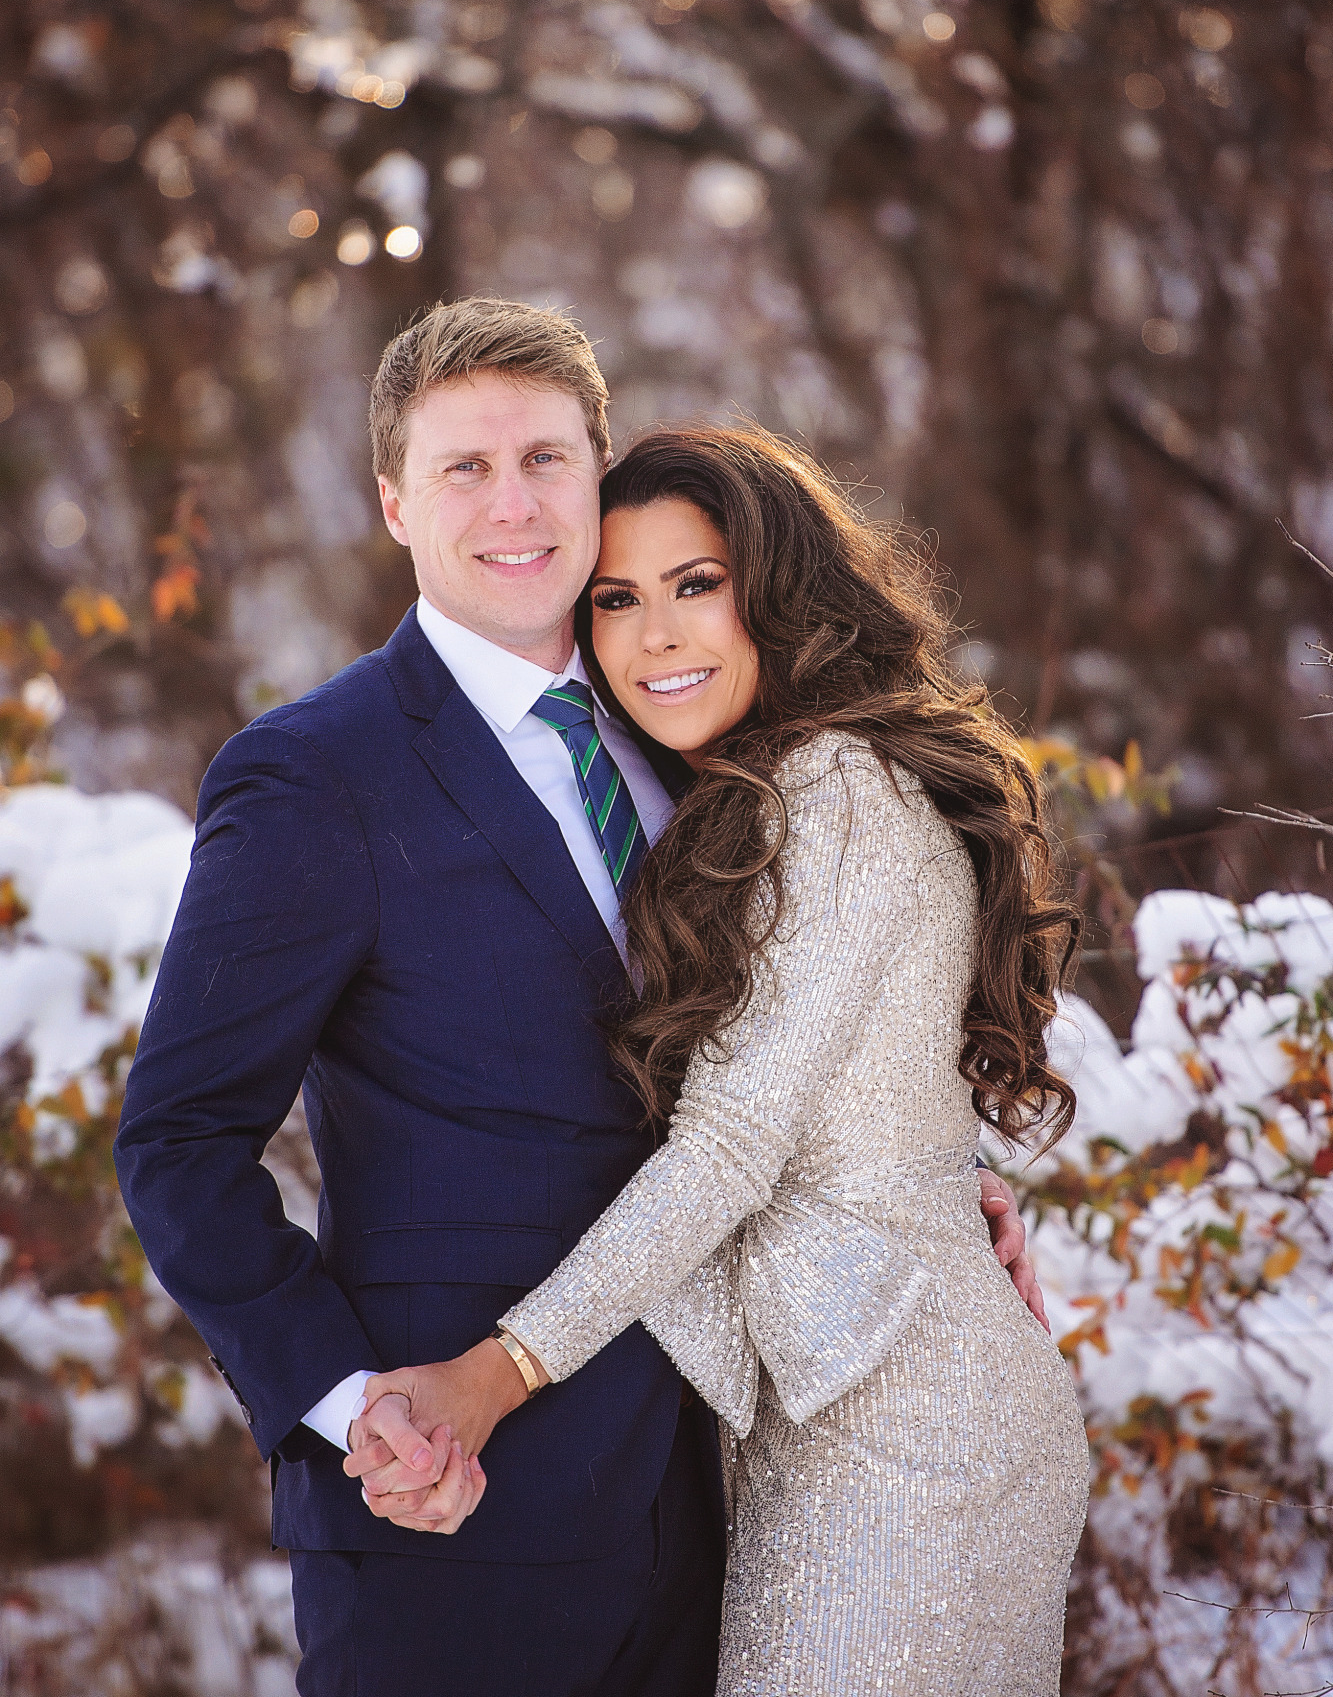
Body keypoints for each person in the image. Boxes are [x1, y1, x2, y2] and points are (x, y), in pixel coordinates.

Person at [114, 299, 1046, 1697]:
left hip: (718, 1476)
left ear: (596, 473)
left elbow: (793, 1042)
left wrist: (921, 1170)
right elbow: (178, 1143)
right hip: (457, 1502)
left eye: (547, 459)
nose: (514, 503)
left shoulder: (692, 735)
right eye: (464, 468)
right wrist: (349, 1404)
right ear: (393, 504)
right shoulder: (315, 775)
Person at [348, 424, 1090, 1696]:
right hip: (821, 1418)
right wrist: (939, 1171)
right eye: (615, 600)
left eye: (696, 584)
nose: (656, 638)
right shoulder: (736, 797)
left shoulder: (838, 787)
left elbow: (733, 1145)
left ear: (776, 589)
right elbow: (854, 1072)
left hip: (920, 1434)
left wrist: (494, 1371)